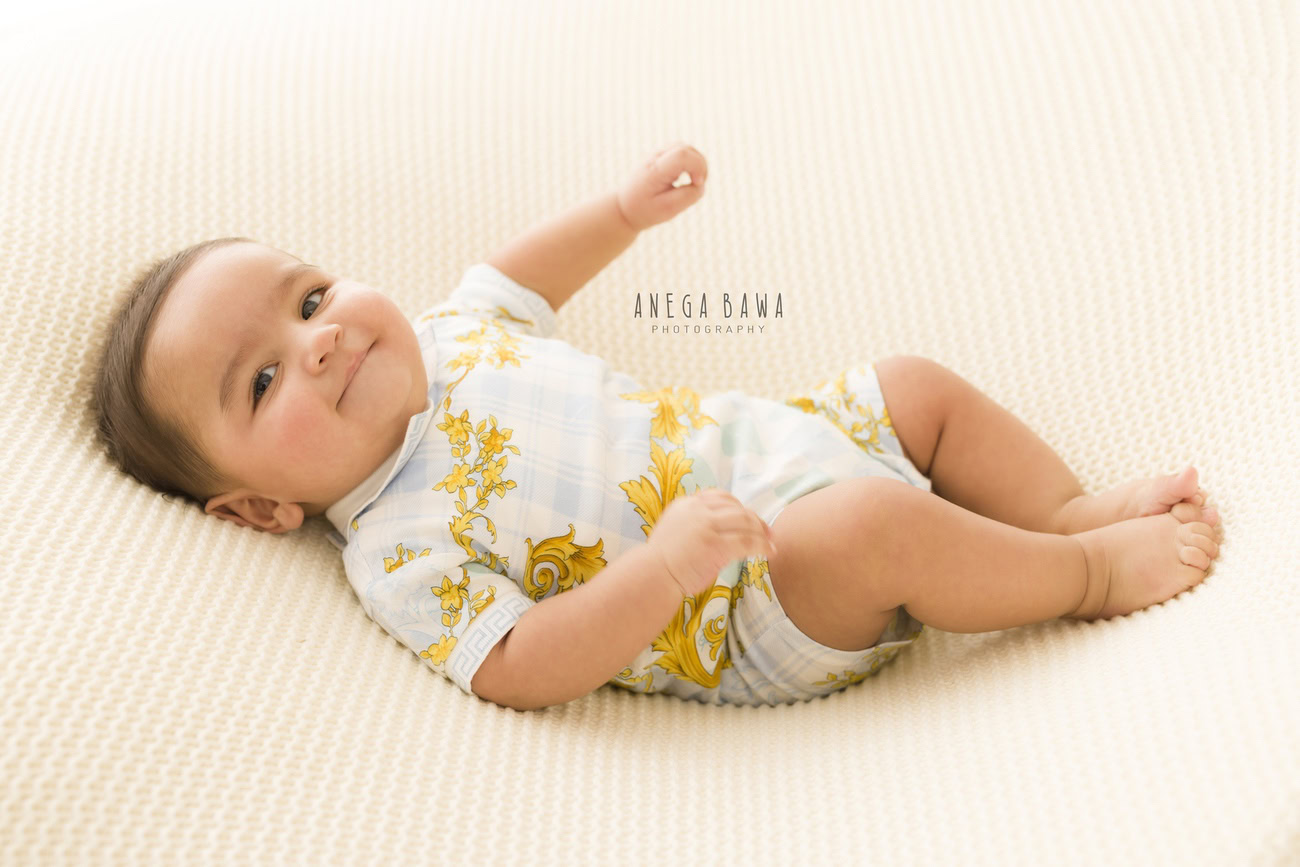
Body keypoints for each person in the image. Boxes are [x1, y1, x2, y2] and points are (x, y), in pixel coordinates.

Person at [91, 142, 1223, 710]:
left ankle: (1058, 505)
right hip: (750, 601)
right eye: (261, 381)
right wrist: (671, 569)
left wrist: (622, 213)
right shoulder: (395, 545)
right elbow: (518, 665)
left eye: (309, 297)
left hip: (776, 441)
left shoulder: (451, 332)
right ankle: (1079, 572)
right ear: (256, 507)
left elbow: (519, 273)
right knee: (875, 522)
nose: (323, 340)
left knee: (911, 386)